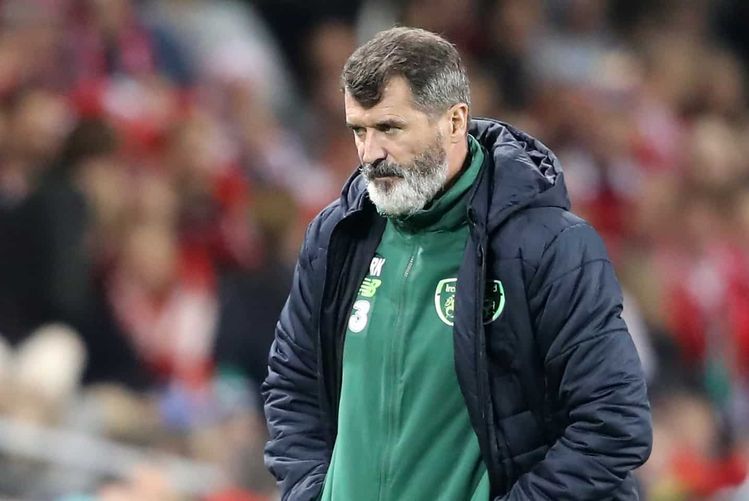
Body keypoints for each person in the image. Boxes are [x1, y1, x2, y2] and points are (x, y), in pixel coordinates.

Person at [262, 27, 652, 500]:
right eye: (358, 131)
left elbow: (612, 424)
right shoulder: (338, 237)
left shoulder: (549, 247)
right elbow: (292, 383)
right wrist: (311, 492)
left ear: (453, 122)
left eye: (389, 128)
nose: (370, 154)